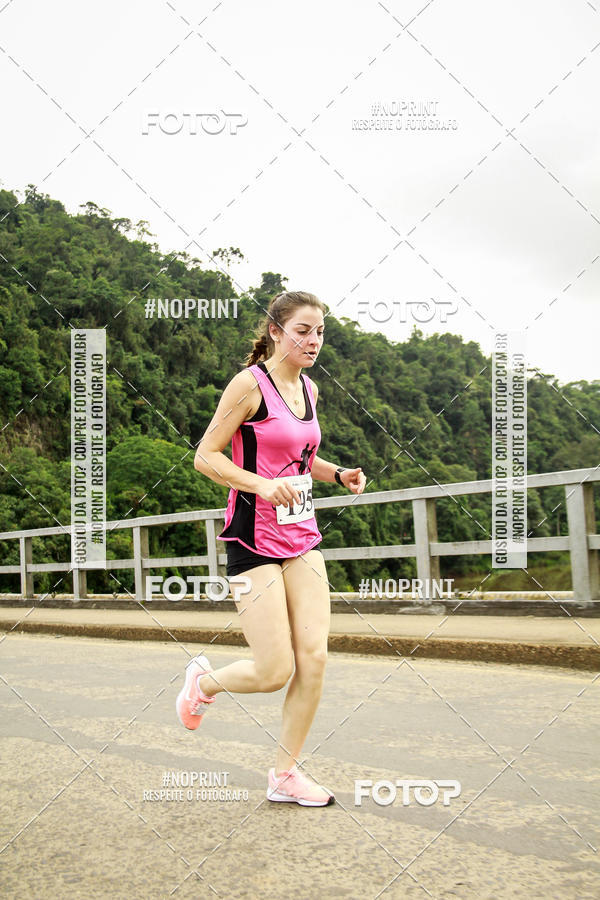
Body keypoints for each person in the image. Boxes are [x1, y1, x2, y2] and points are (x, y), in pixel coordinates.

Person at [176, 290, 366, 806]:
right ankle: (205, 682)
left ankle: (285, 774)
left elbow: (301, 457)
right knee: (273, 669)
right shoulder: (249, 385)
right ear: (277, 332)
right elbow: (205, 456)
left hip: (301, 536)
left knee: (315, 658)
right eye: (303, 330)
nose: (314, 340)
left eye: (320, 331)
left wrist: (337, 472)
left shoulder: (311, 389)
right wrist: (259, 484)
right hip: (251, 539)